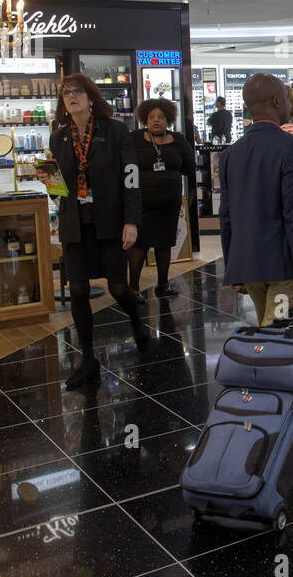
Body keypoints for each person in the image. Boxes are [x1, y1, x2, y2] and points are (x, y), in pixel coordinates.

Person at [35, 73, 148, 390]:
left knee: (118, 288)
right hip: (75, 222)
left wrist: (131, 221)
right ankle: (88, 359)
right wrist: (51, 185)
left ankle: (137, 322)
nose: (70, 97)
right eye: (65, 93)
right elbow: (56, 182)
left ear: (90, 97)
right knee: (79, 290)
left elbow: (131, 177)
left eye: (77, 92)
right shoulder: (59, 136)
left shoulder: (113, 131)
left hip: (110, 219)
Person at [219, 74, 293, 325]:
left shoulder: (231, 154)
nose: (289, 104)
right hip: (284, 265)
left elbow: (227, 215)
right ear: (276, 102)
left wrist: (235, 268)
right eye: (287, 99)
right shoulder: (292, 146)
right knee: (277, 341)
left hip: (249, 264)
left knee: (269, 335)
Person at [129, 97, 195, 300]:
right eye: (151, 117)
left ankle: (163, 283)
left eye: (161, 117)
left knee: (165, 243)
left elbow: (188, 166)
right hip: (142, 201)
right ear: (144, 119)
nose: (156, 120)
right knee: (140, 244)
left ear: (169, 119)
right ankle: (133, 287)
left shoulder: (178, 140)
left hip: (169, 202)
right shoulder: (134, 139)